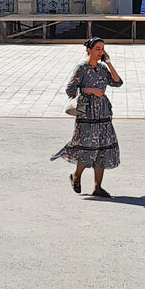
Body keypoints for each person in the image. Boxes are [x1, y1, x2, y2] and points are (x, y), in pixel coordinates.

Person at [52, 37, 123, 197]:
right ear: (88, 50)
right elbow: (70, 90)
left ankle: (97, 187)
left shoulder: (103, 69)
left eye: (102, 49)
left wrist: (109, 62)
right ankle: (76, 176)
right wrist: (90, 90)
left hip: (103, 113)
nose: (100, 52)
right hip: (87, 113)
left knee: (103, 149)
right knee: (87, 148)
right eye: (97, 48)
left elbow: (117, 82)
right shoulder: (81, 69)